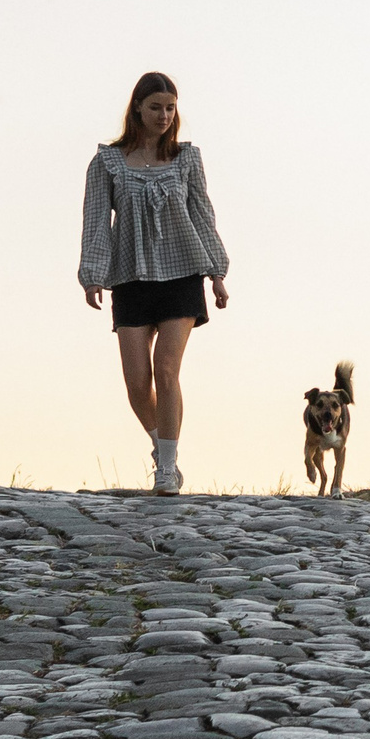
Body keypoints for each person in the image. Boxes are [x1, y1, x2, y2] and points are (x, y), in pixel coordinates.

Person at [79, 71, 230, 494]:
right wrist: (93, 274)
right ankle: (161, 444)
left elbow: (203, 215)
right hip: (130, 278)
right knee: (136, 384)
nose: (164, 115)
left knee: (166, 370)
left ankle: (167, 468)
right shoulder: (107, 162)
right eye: (155, 108)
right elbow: (96, 223)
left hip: (181, 276)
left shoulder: (187, 159)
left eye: (170, 108)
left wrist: (216, 273)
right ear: (137, 110)